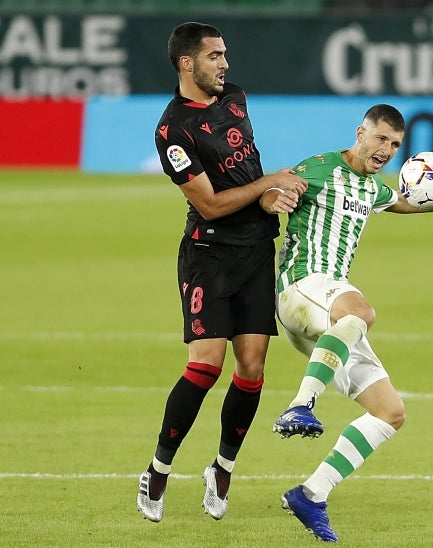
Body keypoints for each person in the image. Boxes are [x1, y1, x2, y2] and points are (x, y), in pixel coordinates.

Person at [270, 104, 433, 542]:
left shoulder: (372, 188)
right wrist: (272, 196)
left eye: (394, 144)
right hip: (301, 286)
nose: (386, 149)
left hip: (329, 318)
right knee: (363, 312)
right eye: (380, 138)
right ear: (360, 132)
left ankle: (311, 494)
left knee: (391, 413)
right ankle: (301, 404)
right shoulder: (321, 167)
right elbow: (276, 183)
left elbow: (401, 203)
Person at [136, 22, 307, 523]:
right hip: (208, 254)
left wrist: (272, 193)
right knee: (206, 365)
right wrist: (266, 185)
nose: (225, 63)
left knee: (252, 365)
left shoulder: (235, 98)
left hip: (256, 250)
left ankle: (222, 468)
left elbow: (247, 175)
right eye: (214, 56)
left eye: (225, 54)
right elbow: (209, 205)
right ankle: (158, 470)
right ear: (187, 63)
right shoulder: (172, 130)